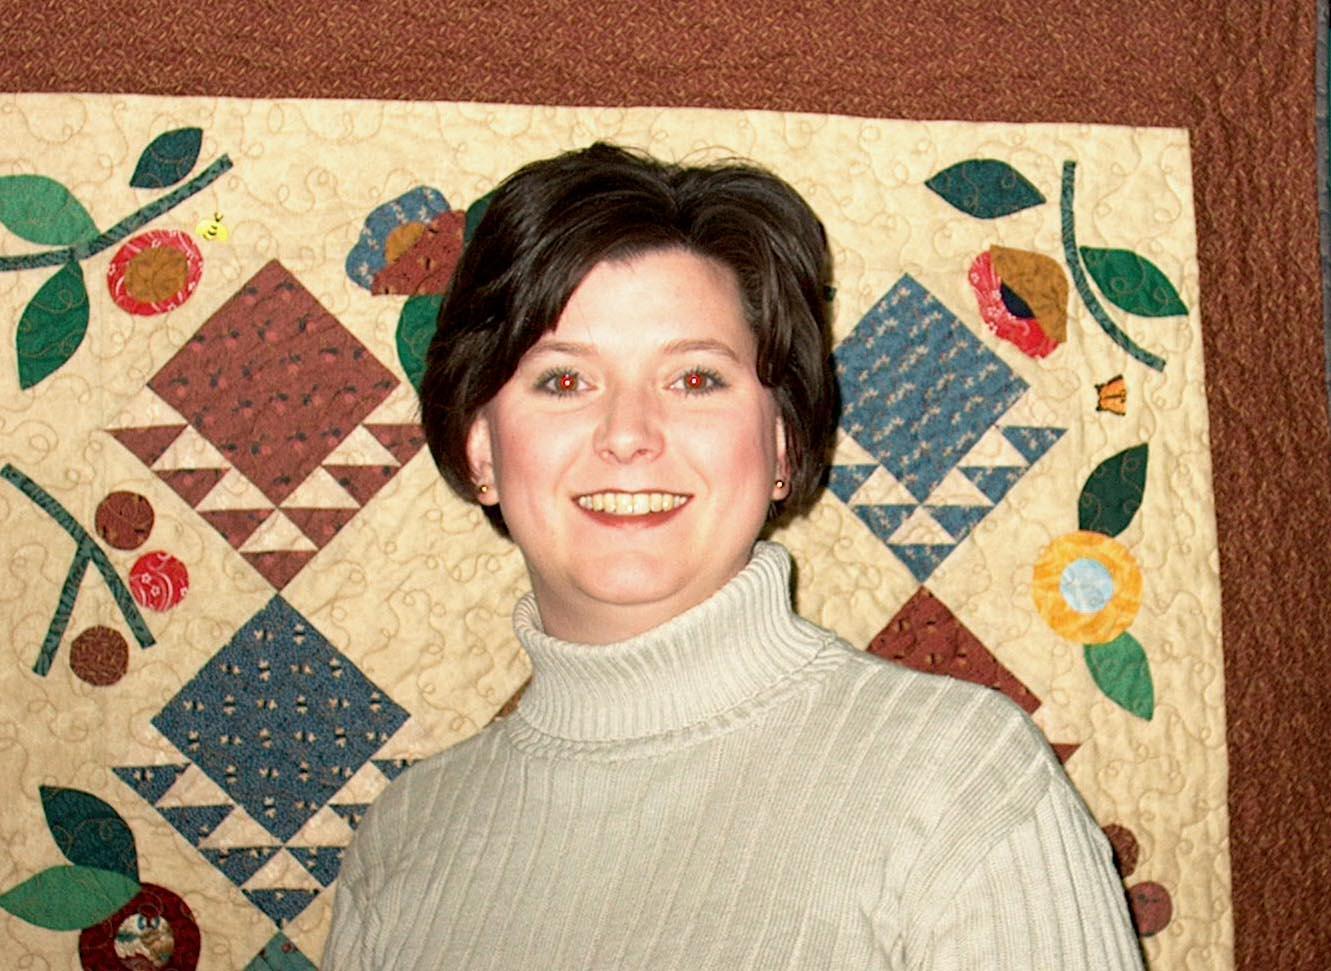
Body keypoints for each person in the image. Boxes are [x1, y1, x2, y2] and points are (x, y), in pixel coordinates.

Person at [323, 143, 1143, 969]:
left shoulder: (961, 779)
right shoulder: (401, 839)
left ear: (782, 442)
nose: (628, 435)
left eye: (695, 379)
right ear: (481, 449)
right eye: (564, 382)